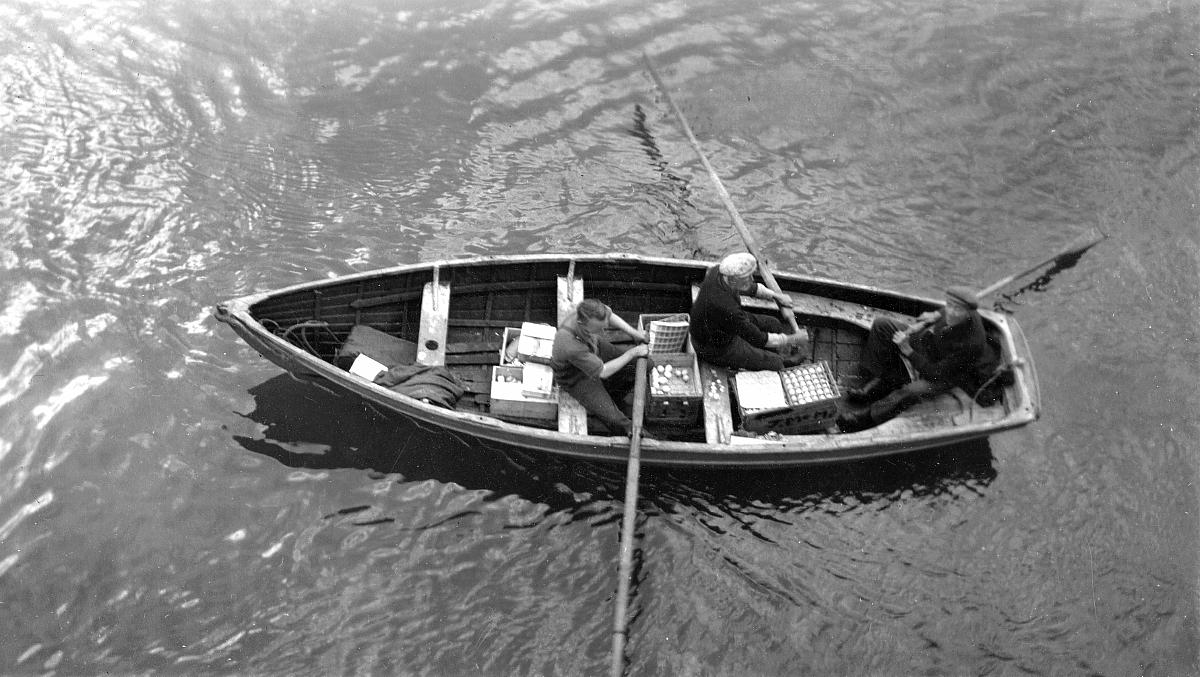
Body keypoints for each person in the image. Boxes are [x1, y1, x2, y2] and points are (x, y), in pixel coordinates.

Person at [836, 285, 1001, 432]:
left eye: (958, 309)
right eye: (949, 305)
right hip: (931, 347)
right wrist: (934, 315)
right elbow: (947, 310)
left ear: (969, 313)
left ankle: (867, 418)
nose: (951, 312)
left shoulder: (972, 343)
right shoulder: (952, 311)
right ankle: (877, 383)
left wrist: (907, 350)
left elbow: (935, 372)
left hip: (945, 374)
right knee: (882, 325)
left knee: (911, 391)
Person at [689, 251, 809, 371]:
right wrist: (793, 339)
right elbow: (758, 338)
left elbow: (751, 288)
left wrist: (776, 296)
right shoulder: (728, 309)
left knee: (773, 323)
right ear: (733, 279)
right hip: (713, 347)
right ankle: (781, 361)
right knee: (774, 362)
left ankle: (767, 351)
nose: (752, 279)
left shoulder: (718, 273)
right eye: (747, 277)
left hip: (721, 324)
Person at [550, 298, 650, 437]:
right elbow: (603, 371)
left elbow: (611, 316)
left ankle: (614, 392)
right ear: (582, 324)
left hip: (594, 348)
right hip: (575, 376)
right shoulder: (570, 345)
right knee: (615, 419)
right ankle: (629, 433)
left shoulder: (590, 311)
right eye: (598, 328)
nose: (603, 330)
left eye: (604, 325)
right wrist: (633, 352)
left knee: (645, 365)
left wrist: (635, 334)